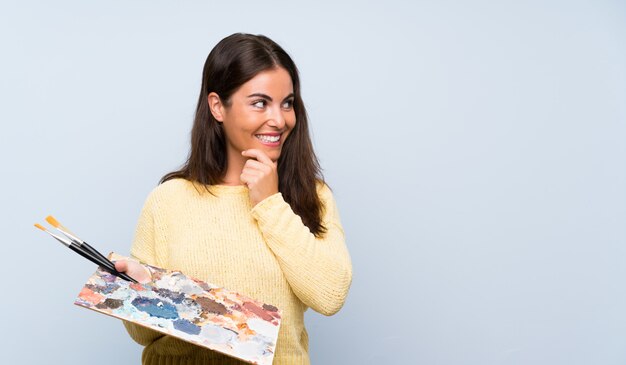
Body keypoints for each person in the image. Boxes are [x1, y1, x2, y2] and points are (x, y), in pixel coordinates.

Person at [114, 33, 353, 365]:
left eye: (287, 102)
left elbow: (329, 295)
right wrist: (141, 290)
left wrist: (269, 202)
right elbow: (145, 336)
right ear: (217, 107)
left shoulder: (310, 196)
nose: (280, 120)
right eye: (260, 103)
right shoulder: (168, 200)